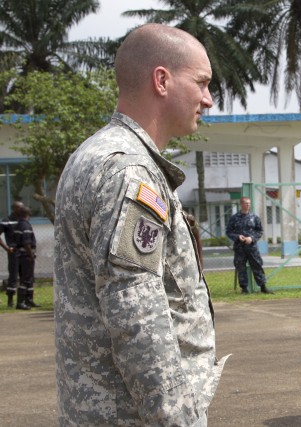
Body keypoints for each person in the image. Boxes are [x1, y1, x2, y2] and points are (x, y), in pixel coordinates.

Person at [53, 24, 228, 426]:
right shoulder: (130, 172)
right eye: (201, 83)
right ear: (162, 80)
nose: (209, 99)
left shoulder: (95, 153)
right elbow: (138, 321)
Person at [226, 196, 274, 294]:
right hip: (240, 247)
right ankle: (244, 289)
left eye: (249, 203)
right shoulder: (234, 218)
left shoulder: (254, 218)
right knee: (241, 267)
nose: (248, 205)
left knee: (257, 265)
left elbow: (260, 231)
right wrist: (238, 237)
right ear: (241, 204)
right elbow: (229, 232)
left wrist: (251, 238)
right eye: (246, 203)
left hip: (252, 247)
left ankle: (263, 287)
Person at [14, 205, 38, 310]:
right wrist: (31, 256)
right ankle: (20, 302)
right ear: (28, 214)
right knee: (25, 279)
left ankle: (29, 299)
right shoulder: (25, 226)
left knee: (29, 278)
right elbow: (26, 243)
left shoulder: (19, 224)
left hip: (20, 256)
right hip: (26, 256)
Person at [0, 200, 23, 307]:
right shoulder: (7, 221)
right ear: (14, 208)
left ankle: (24, 300)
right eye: (20, 207)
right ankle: (10, 299)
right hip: (14, 252)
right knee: (13, 275)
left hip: (24, 252)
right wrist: (7, 248)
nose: (22, 209)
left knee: (25, 276)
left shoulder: (23, 220)